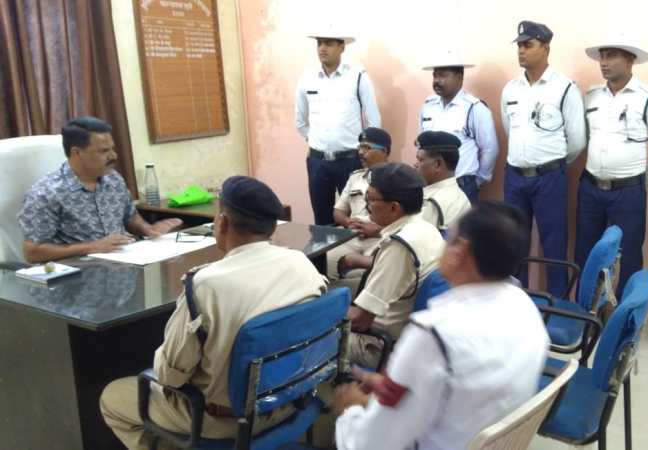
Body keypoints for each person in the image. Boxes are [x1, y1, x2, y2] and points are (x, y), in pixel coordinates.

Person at [99, 176, 327, 448]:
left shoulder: (206, 286)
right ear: (272, 226)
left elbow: (170, 376)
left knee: (112, 397)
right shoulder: (302, 264)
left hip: (225, 420)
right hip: (292, 401)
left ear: (222, 222)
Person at [333, 202, 550, 450]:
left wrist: (350, 410)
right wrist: (398, 386)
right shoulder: (525, 308)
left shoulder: (433, 334)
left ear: (460, 251)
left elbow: (371, 444)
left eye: (448, 239)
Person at [577, 33, 648, 298]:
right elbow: (585, 139)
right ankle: (584, 315)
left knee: (628, 254)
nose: (604, 62)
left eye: (612, 56)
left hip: (628, 192)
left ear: (630, 60)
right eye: (602, 56)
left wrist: (637, 182)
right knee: (585, 252)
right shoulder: (592, 96)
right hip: (591, 187)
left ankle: (624, 317)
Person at [17, 116, 182, 263]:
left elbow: (130, 217)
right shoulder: (46, 193)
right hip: (81, 276)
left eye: (112, 149)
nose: (113, 156)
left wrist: (149, 229)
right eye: (103, 151)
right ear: (77, 152)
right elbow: (32, 252)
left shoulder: (113, 179)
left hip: (126, 265)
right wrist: (91, 247)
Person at [500, 21, 586, 295]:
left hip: (549, 177)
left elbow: (577, 140)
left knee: (554, 244)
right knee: (514, 244)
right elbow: (509, 130)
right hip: (515, 177)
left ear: (546, 47)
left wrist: (552, 164)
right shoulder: (511, 89)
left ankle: (557, 305)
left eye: (528, 45)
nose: (521, 51)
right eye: (519, 46)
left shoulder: (564, 88)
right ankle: (516, 301)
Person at [342, 163, 445, 368]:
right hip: (414, 331)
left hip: (379, 344)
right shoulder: (426, 229)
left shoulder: (399, 246)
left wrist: (318, 315)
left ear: (394, 207)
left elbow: (361, 320)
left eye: (371, 199)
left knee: (304, 337)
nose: (367, 206)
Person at [295, 26, 381, 225]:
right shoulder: (307, 78)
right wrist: (317, 141)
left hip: (350, 160)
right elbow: (300, 121)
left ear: (342, 47)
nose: (322, 48)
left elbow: (373, 122)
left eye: (328, 43)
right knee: (322, 221)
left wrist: (367, 152)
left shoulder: (358, 76)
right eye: (319, 43)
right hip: (318, 162)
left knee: (356, 219)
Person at [420, 50, 498, 203]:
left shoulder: (474, 108)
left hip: (462, 185)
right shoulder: (428, 106)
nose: (437, 81)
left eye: (443, 76)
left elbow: (490, 148)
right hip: (431, 186)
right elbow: (422, 143)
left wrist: (478, 180)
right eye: (435, 76)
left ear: (460, 78)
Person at [327, 127, 391, 282]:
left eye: (367, 147)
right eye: (360, 147)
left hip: (381, 238)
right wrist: (348, 222)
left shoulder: (398, 179)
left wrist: (378, 230)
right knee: (324, 260)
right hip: (352, 236)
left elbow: (407, 220)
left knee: (371, 273)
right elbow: (338, 211)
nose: (361, 152)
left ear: (384, 151)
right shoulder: (355, 177)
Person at [414, 131, 471, 233]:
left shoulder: (433, 203)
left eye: (420, 160)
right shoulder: (461, 197)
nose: (415, 164)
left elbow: (415, 238)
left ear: (437, 164)